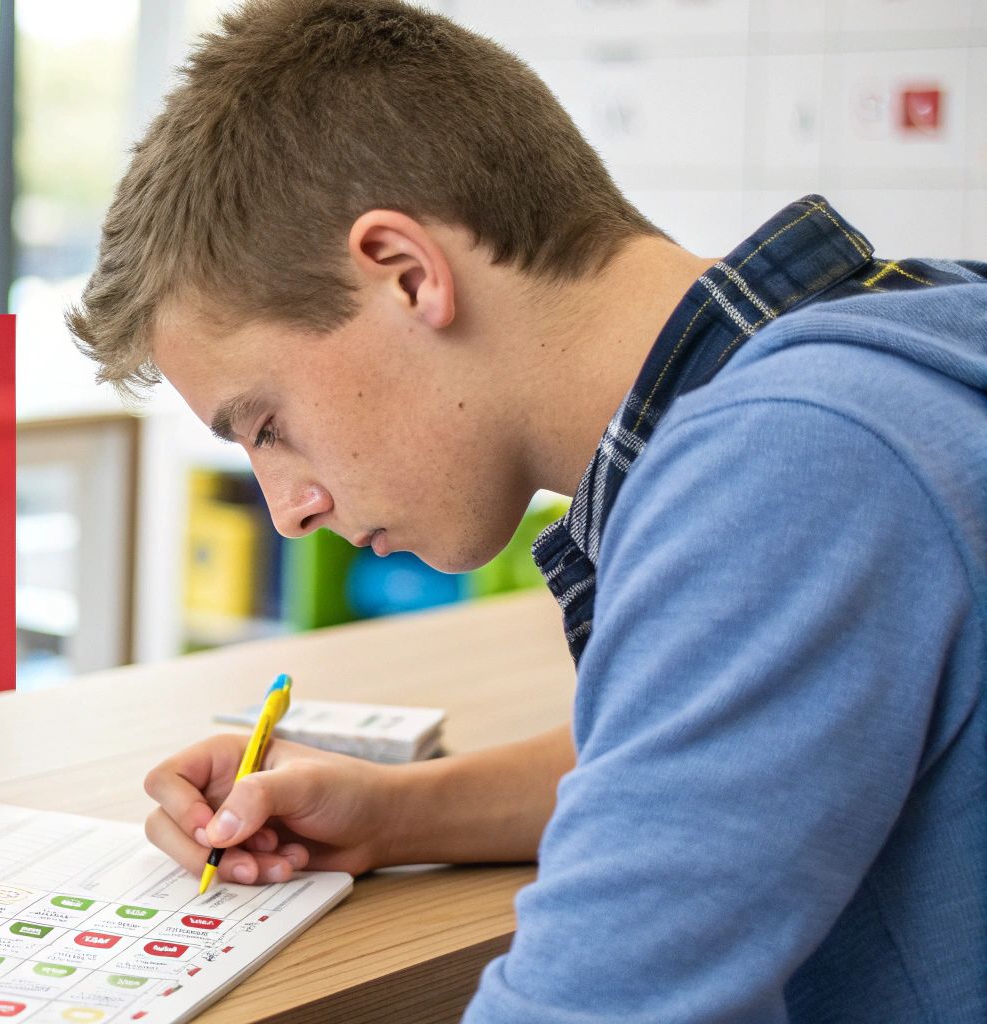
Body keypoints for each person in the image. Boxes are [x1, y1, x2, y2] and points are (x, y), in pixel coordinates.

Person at [64, 1, 987, 1020]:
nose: (285, 511)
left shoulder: (789, 462)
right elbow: (699, 761)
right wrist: (393, 816)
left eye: (265, 423)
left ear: (406, 275)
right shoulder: (897, 341)